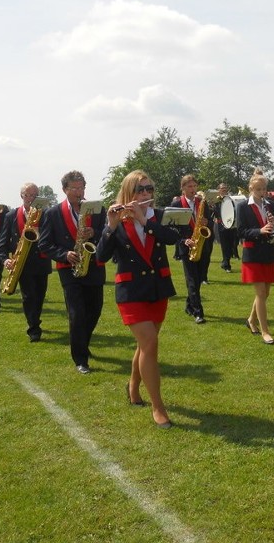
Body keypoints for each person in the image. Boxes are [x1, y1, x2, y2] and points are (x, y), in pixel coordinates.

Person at [98, 170, 179, 429]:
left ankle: (133, 384)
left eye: (149, 189)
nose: (146, 194)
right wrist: (110, 226)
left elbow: (172, 239)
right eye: (140, 190)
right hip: (131, 292)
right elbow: (100, 257)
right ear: (128, 192)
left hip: (157, 289)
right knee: (150, 343)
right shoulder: (116, 219)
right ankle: (158, 406)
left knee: (146, 345)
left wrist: (144, 220)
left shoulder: (158, 216)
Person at [38, 170, 106, 374]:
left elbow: (108, 232)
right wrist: (64, 253)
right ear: (65, 190)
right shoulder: (53, 213)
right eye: (75, 188)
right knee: (76, 314)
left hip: (93, 266)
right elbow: (44, 244)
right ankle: (80, 359)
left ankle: (82, 343)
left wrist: (95, 232)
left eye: (81, 187)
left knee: (94, 310)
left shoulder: (97, 209)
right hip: (69, 269)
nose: (79, 192)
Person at [0, 183, 51, 342]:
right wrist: (5, 259)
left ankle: (35, 319)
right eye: (28, 195)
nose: (31, 198)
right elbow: (2, 242)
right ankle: (33, 328)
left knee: (39, 296)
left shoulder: (46, 214)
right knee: (28, 296)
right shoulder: (11, 215)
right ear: (22, 196)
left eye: (34, 195)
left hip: (41, 261)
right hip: (22, 262)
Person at [236, 169, 274, 345]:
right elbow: (241, 231)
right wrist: (259, 231)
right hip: (253, 252)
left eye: (264, 189)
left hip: (267, 252)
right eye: (259, 190)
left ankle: (251, 320)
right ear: (250, 189)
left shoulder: (270, 205)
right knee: (261, 293)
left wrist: (272, 225)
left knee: (266, 293)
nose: (262, 193)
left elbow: (272, 229)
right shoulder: (242, 207)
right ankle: (265, 331)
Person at [172, 175, 209, 324]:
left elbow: (210, 221)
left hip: (201, 244)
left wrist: (207, 222)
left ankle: (189, 305)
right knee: (192, 279)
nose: (193, 189)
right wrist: (183, 240)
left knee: (199, 278)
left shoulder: (202, 203)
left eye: (194, 186)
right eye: (189, 187)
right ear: (183, 188)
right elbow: (171, 227)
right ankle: (198, 312)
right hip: (186, 245)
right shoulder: (176, 204)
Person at [213, 183, 238, 272]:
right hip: (221, 225)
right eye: (222, 188)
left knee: (231, 245)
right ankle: (227, 265)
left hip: (231, 225)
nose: (224, 189)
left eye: (225, 188)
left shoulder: (230, 198)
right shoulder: (216, 200)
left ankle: (225, 262)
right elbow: (215, 212)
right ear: (219, 190)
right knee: (225, 245)